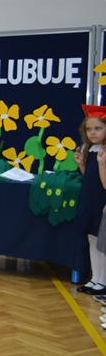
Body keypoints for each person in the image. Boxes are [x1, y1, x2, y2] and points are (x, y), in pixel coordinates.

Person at [76, 106, 106, 295]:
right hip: (90, 199)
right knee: (92, 239)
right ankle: (95, 278)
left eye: (98, 128)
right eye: (89, 129)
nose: (93, 133)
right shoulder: (91, 150)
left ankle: (103, 281)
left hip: (102, 200)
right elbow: (90, 177)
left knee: (102, 242)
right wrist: (81, 164)